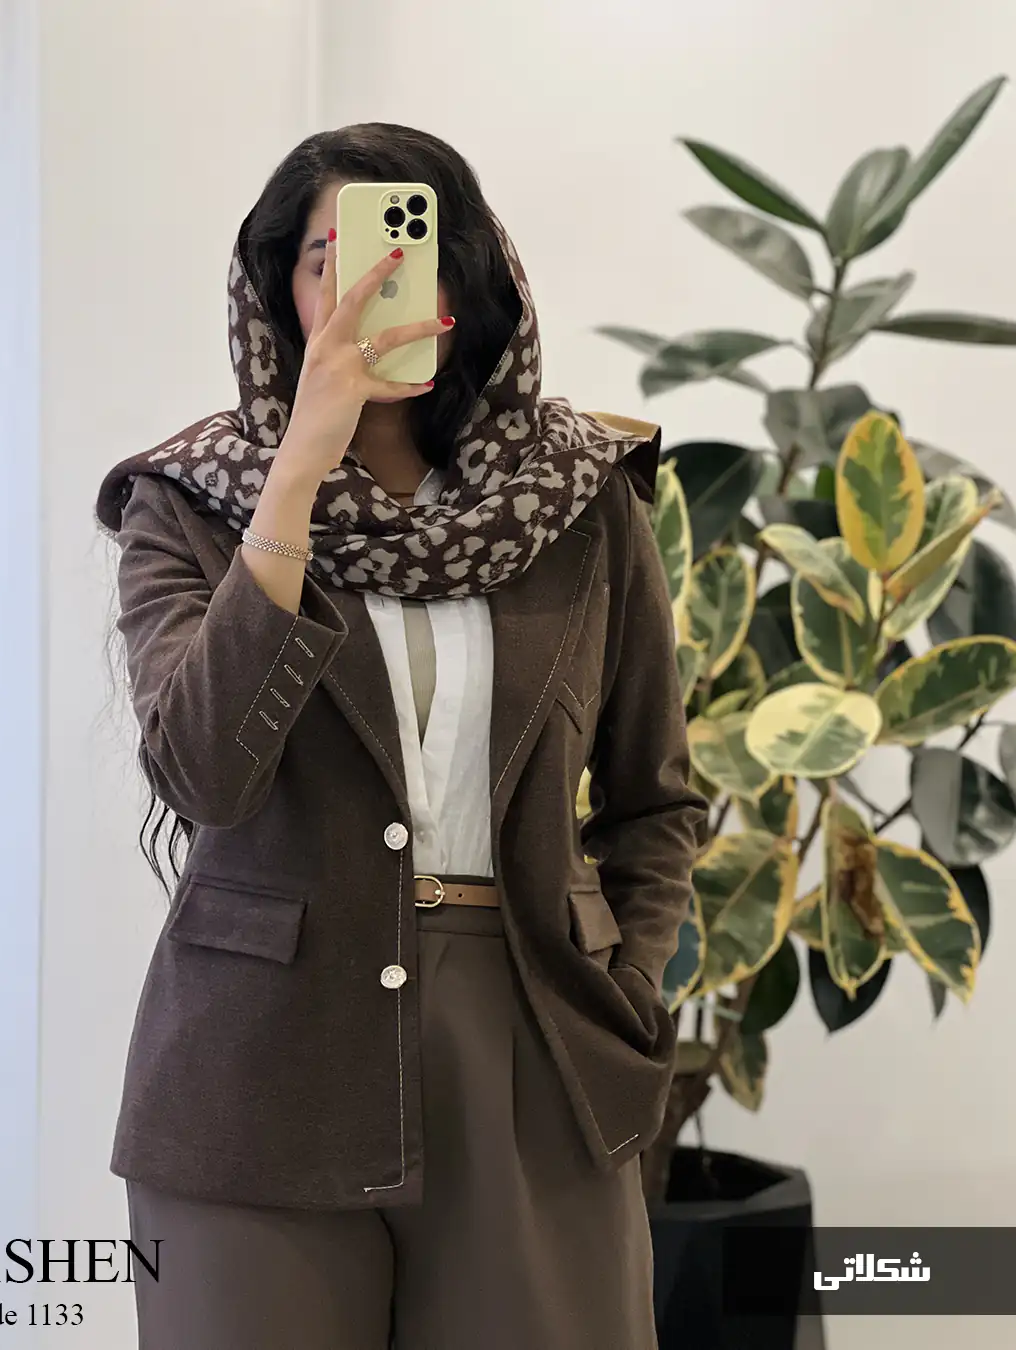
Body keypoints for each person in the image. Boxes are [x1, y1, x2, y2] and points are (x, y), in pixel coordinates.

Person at [94, 121, 708, 1350]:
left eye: (397, 251)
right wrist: (296, 470)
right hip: (259, 1065)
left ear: (462, 279)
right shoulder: (191, 500)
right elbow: (204, 773)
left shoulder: (582, 500)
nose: (362, 284)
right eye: (327, 257)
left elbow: (656, 800)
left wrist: (627, 991)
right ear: (277, 289)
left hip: (537, 1038)